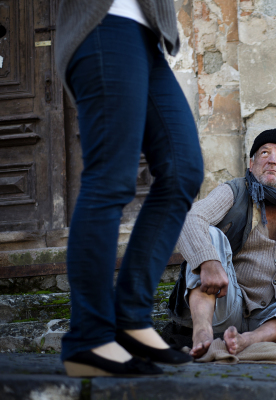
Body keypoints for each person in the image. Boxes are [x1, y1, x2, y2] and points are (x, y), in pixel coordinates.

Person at [56, 0, 202, 376]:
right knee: (110, 180)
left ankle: (131, 319)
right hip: (101, 23)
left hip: (148, 38)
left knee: (183, 170)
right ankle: (88, 337)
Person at [166, 129, 276, 358]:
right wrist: (209, 262)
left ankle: (252, 339)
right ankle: (202, 331)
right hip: (227, 305)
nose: (272, 160)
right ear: (251, 164)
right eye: (264, 153)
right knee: (211, 235)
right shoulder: (236, 190)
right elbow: (190, 218)